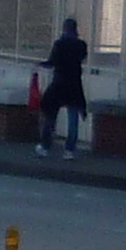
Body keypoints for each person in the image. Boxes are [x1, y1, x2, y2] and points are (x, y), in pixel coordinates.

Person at [36, 18, 88, 159]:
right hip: (74, 85)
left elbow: (53, 62)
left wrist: (40, 64)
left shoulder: (59, 44)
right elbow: (82, 58)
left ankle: (45, 146)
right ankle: (69, 150)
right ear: (75, 29)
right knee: (73, 118)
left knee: (51, 115)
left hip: (59, 83)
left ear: (64, 28)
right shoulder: (81, 45)